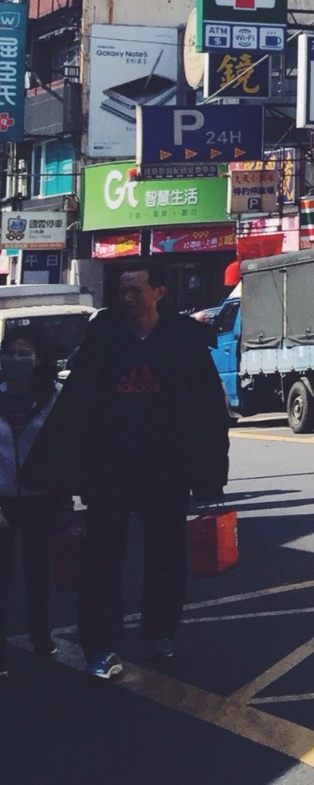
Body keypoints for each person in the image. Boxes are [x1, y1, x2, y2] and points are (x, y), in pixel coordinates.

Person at [23, 266, 230, 679]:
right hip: (110, 469)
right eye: (122, 290)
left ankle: (159, 631)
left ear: (159, 291)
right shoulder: (104, 338)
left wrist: (209, 473)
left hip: (166, 469)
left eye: (136, 290)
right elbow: (77, 404)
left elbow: (208, 409)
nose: (127, 297)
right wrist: (63, 471)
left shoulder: (183, 339)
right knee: (101, 558)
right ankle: (99, 646)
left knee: (167, 554)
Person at [0, 331, 61, 676]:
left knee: (38, 571)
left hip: (42, 499)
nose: (15, 360)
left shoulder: (53, 398)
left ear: (38, 359)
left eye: (23, 353)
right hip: (2, 499)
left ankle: (42, 635)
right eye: (9, 353)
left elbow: (67, 445)